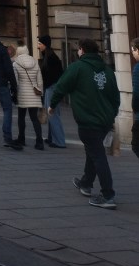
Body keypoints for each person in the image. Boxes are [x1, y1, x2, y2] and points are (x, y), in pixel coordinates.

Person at [49, 38, 120, 209]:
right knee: (93, 151)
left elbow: (61, 86)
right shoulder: (107, 71)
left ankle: (107, 194)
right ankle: (86, 182)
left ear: (82, 50)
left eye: (79, 49)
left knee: (97, 155)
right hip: (105, 120)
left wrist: (52, 105)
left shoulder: (77, 68)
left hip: (88, 119)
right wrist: (112, 115)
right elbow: (115, 97)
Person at [12, 44, 45, 149]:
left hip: (22, 93)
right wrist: (40, 93)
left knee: (21, 117)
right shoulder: (35, 62)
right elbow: (40, 80)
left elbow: (16, 81)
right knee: (34, 118)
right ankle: (39, 141)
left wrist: (14, 93)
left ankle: (21, 138)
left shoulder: (16, 63)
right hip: (34, 94)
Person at [38, 35, 66, 148]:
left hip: (52, 87)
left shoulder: (50, 58)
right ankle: (51, 138)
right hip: (51, 87)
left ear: (45, 45)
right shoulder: (49, 56)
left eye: (40, 44)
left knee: (52, 113)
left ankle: (59, 141)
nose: (38, 46)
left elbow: (52, 75)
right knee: (50, 113)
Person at [130, 37, 139, 162]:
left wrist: (135, 107)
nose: (132, 54)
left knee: (136, 145)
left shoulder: (137, 68)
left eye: (133, 50)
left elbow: (137, 93)